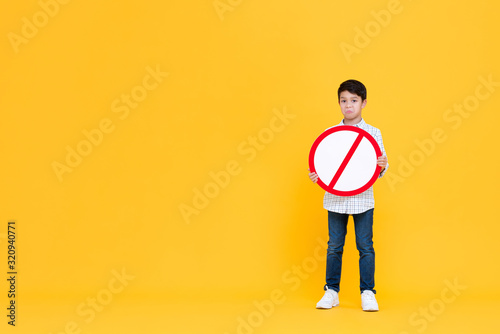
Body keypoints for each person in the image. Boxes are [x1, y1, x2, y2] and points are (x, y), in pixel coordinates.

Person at [308, 79, 388, 312]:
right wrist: (318, 175)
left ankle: (367, 292)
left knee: (365, 246)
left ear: (363, 103)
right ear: (339, 103)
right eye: (344, 101)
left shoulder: (373, 133)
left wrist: (382, 165)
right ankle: (331, 291)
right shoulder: (330, 134)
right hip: (335, 199)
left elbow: (380, 167)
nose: (348, 105)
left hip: (363, 199)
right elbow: (324, 163)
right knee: (334, 246)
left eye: (354, 100)